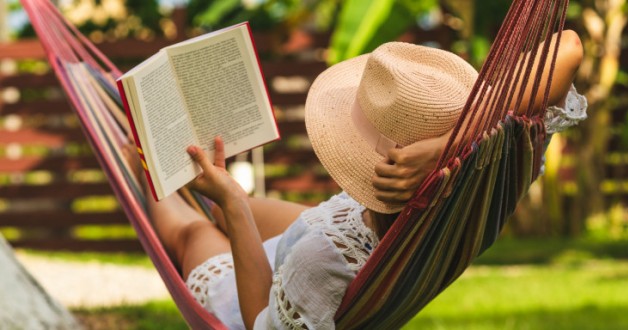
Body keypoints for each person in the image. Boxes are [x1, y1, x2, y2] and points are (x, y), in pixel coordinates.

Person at [123, 30, 586, 329]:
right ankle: (200, 184)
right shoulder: (487, 173)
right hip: (347, 226)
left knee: (195, 230)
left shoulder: (321, 262)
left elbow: (261, 321)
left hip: (271, 291)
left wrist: (233, 206)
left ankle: (140, 163)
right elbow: (570, 45)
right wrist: (450, 147)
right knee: (226, 200)